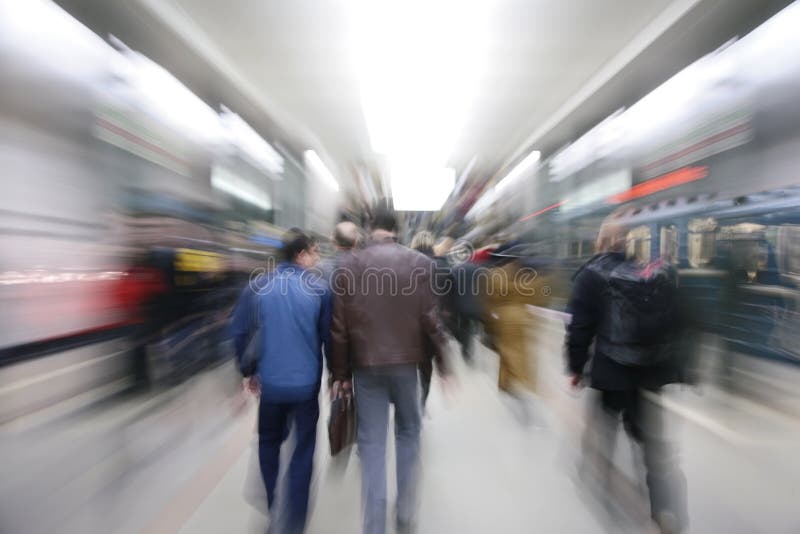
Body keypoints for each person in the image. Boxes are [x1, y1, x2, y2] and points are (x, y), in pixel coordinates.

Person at [331, 208, 450, 534]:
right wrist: (444, 364)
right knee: (409, 434)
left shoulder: (348, 266)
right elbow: (431, 320)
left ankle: (373, 525)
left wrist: (340, 375)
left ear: (370, 230)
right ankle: (406, 516)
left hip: (366, 369)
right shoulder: (421, 265)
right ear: (397, 231)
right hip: (407, 367)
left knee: (371, 445)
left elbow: (339, 328)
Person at [565, 222, 688, 533]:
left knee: (604, 429)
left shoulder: (591, 276)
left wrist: (576, 367)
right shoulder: (647, 273)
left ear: (601, 241)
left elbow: (579, 327)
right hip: (648, 371)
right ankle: (664, 510)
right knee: (650, 443)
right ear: (628, 243)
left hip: (611, 371)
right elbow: (675, 321)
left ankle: (600, 485)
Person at [230, 229, 331, 534]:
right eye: (314, 252)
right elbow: (329, 337)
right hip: (306, 387)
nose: (317, 259)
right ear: (300, 254)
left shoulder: (258, 286)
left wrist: (248, 372)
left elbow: (238, 333)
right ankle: (295, 522)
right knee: (303, 451)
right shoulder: (320, 289)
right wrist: (338, 376)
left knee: (269, 442)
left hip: (271, 386)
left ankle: (274, 506)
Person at [482, 242, 551, 424]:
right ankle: (519, 388)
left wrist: (489, 326)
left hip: (504, 320)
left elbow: (489, 302)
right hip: (525, 319)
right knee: (523, 359)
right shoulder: (529, 274)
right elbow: (539, 297)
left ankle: (517, 391)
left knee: (508, 357)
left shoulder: (495, 274)